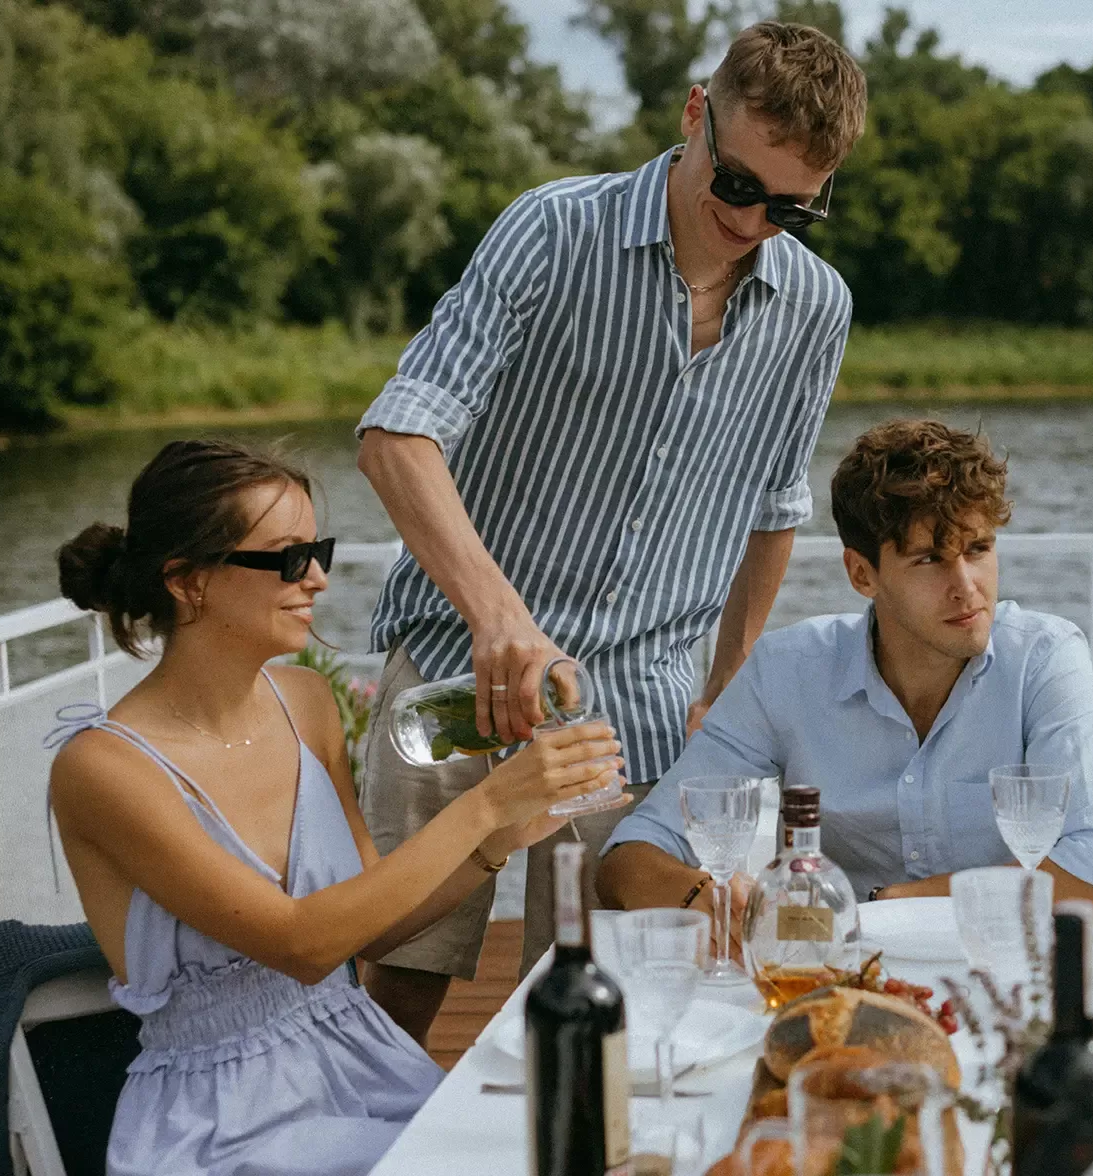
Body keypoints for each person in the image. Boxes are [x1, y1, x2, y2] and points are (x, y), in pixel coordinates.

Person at [350, 21, 869, 1043]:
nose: (756, 222)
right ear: (693, 114)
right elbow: (397, 436)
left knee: (619, 1006)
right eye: (737, 187)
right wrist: (501, 618)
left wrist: (726, 691)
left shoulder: (816, 307)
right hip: (463, 674)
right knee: (400, 984)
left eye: (791, 208)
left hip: (639, 704)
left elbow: (774, 510)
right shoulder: (552, 230)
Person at [46, 440, 619, 1176]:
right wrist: (482, 805)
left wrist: (502, 837)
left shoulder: (307, 703)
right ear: (188, 581)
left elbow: (370, 930)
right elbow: (302, 946)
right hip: (222, 1119)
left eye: (319, 549)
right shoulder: (104, 767)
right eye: (287, 558)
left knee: (575, 1140)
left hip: (356, 1056)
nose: (317, 577)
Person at [598, 420, 1093, 924]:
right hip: (846, 972)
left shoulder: (1044, 658)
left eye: (978, 549)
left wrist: (896, 902)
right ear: (862, 573)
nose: (966, 586)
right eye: (930, 560)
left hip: (1006, 967)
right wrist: (706, 897)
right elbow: (627, 861)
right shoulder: (787, 671)